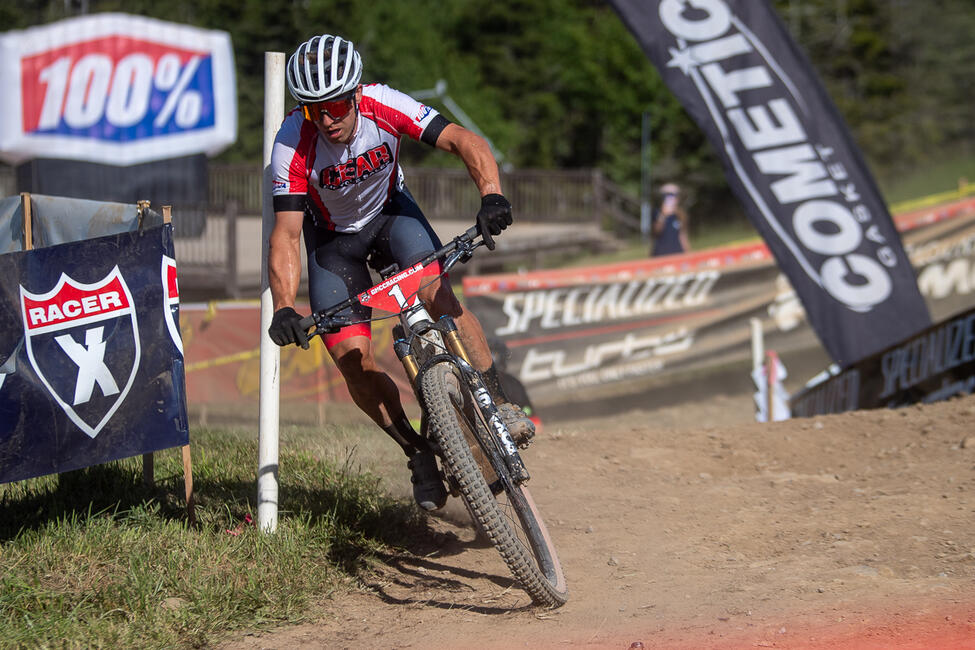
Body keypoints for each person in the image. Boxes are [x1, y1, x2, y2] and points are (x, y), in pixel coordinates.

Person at [267, 34, 533, 512]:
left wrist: (491, 194)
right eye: (314, 110)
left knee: (439, 298)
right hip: (333, 244)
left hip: (392, 216)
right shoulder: (292, 141)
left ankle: (498, 404)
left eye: (336, 107)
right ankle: (418, 453)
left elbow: (463, 140)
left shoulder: (382, 104)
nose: (327, 120)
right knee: (352, 360)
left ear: (355, 95)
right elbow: (286, 234)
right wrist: (284, 304)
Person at [650, 182, 690, 256]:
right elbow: (656, 232)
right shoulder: (657, 213)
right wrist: (663, 215)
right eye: (667, 195)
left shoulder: (681, 214)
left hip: (678, 253)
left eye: (673, 195)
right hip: (661, 254)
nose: (670, 198)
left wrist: (688, 253)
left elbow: (683, 235)